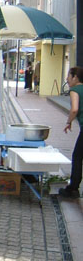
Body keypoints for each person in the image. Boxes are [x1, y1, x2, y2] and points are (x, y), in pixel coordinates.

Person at [59, 67, 83, 198]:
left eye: (69, 76)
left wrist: (69, 122)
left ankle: (73, 188)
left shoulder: (75, 90)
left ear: (75, 77)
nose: (67, 79)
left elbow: (74, 109)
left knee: (77, 156)